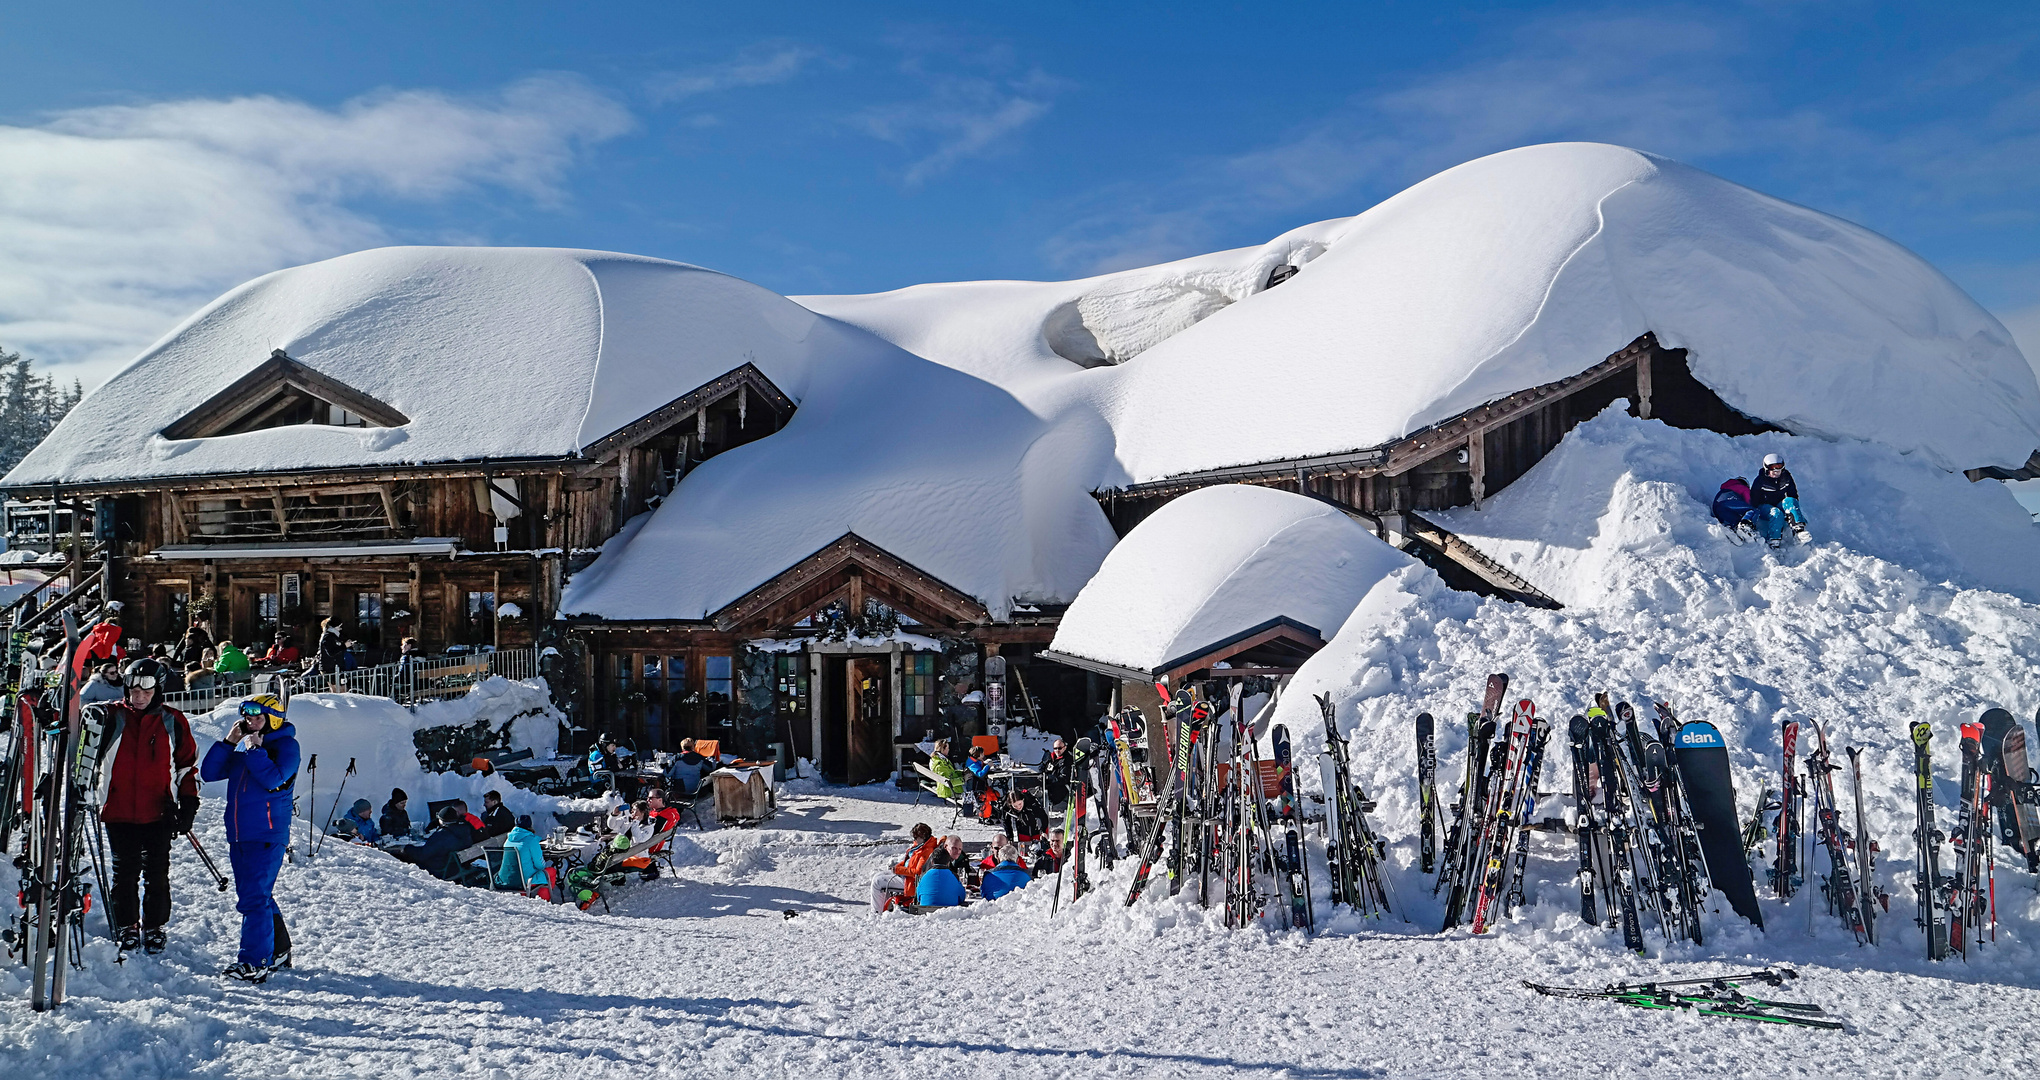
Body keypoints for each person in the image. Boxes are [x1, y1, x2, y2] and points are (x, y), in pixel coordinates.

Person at [86, 657, 198, 955]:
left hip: (158, 811)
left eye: (146, 691)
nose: (138, 696)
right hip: (118, 810)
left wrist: (188, 803)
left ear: (158, 690)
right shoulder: (111, 718)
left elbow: (186, 767)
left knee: (157, 872)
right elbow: (82, 738)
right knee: (124, 872)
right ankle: (127, 925)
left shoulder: (172, 721)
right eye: (133, 690)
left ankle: (154, 926)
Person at [199, 693, 299, 981]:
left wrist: (256, 751)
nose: (251, 722)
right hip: (241, 835)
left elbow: (274, 780)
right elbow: (210, 772)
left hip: (267, 834)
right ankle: (278, 950)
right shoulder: (245, 750)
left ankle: (255, 962)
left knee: (254, 899)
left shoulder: (286, 747)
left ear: (273, 718)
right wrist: (230, 742)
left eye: (258, 716)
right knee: (258, 896)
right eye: (248, 717)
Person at [399, 805, 480, 880]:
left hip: (442, 869)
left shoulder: (442, 835)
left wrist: (407, 848)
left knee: (408, 859)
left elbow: (423, 855)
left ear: (442, 820)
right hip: (456, 866)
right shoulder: (464, 830)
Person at [871, 823, 937, 913]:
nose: (914, 840)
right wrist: (898, 866)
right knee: (877, 875)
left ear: (923, 837)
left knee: (877, 882)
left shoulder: (926, 851)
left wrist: (899, 870)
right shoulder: (921, 845)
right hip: (906, 875)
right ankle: (884, 907)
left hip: (910, 882)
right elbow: (909, 860)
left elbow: (917, 872)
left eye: (915, 837)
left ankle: (877, 912)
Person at [1749, 453, 1809, 549]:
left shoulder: (1786, 478)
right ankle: (1774, 540)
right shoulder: (1760, 480)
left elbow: (1793, 494)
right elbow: (1754, 499)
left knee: (1790, 500)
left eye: (1779, 468)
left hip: (1779, 503)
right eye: (1773, 469)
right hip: (1764, 507)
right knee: (1776, 513)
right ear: (1767, 468)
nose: (1776, 472)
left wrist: (1790, 511)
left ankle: (1798, 530)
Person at [495, 814, 551, 897]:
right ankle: (544, 901)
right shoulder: (531, 841)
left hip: (506, 878)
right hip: (525, 880)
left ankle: (523, 897)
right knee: (551, 872)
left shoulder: (508, 840)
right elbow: (539, 865)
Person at [72, 602, 125, 677]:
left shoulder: (100, 628)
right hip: (107, 654)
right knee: (109, 674)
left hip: (96, 652)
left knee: (98, 672)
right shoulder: (113, 629)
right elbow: (107, 641)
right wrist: (106, 655)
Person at [1038, 738, 1072, 811]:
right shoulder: (1050, 757)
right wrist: (1041, 775)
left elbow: (1064, 778)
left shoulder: (1067, 760)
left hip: (1059, 791)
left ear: (1064, 748)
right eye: (1055, 748)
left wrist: (1048, 778)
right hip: (1046, 787)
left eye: (1059, 748)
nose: (1057, 750)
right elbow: (1041, 767)